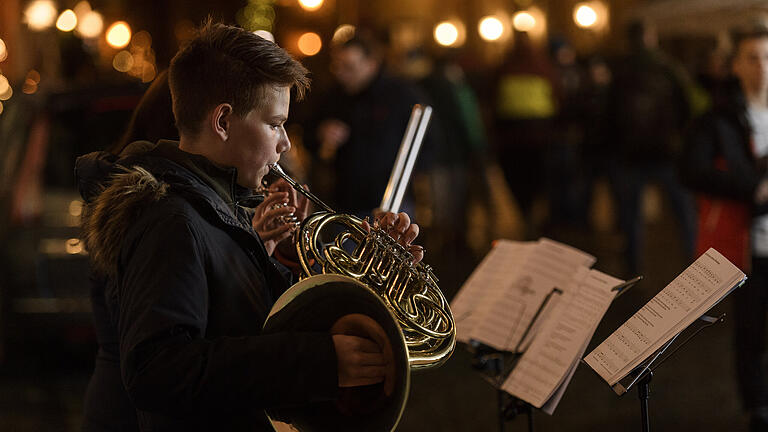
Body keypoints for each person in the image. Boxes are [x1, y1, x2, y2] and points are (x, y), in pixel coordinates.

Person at [76, 21, 424, 431]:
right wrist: (320, 362)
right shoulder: (172, 219)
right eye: (275, 124)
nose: (285, 144)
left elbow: (250, 326)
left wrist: (369, 274)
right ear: (223, 122)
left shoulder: (222, 202)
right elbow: (158, 370)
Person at [682, 24, 768, 431]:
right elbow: (692, 170)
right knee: (751, 330)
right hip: (749, 244)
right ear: (736, 65)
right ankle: (757, 407)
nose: (763, 67)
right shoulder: (718, 116)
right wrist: (753, 188)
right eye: (753, 58)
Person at [304, 30, 432, 216]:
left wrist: (407, 177)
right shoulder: (332, 96)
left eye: (349, 67)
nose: (341, 74)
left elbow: (428, 142)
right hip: (343, 202)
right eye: (337, 66)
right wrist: (320, 133)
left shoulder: (401, 95)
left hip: (391, 202)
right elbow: (308, 135)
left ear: (371, 64)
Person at [605, 20, 696, 275]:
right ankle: (695, 264)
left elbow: (608, 114)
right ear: (652, 38)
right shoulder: (668, 67)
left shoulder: (621, 71)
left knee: (631, 215)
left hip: (631, 154)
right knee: (683, 213)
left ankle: (632, 269)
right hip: (666, 151)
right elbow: (686, 107)